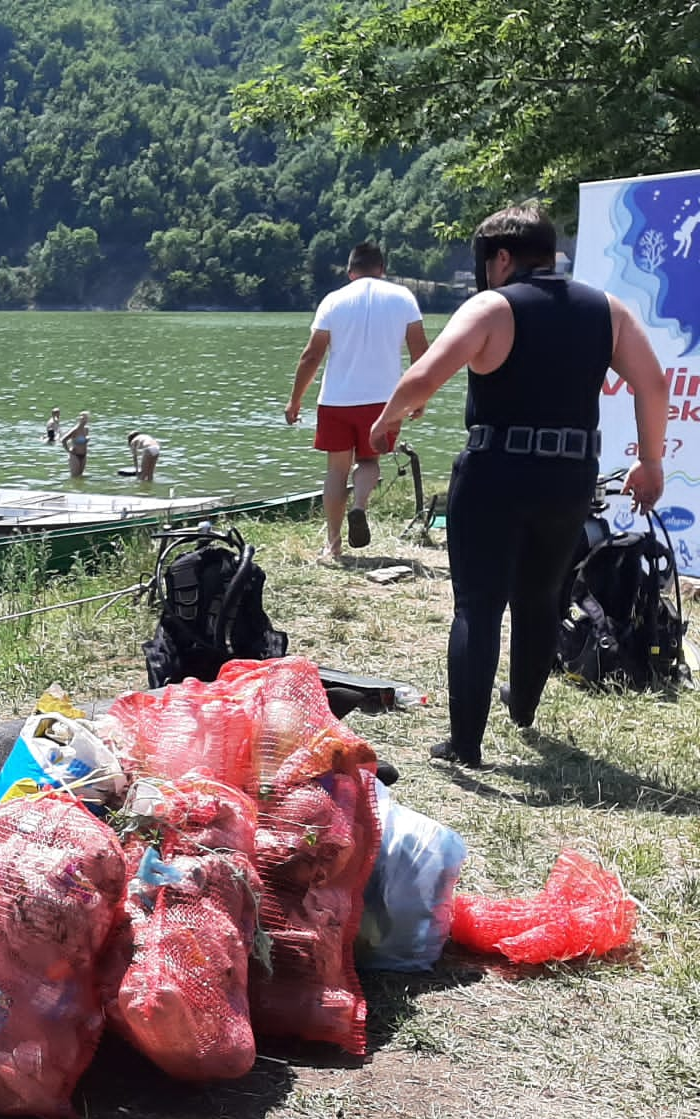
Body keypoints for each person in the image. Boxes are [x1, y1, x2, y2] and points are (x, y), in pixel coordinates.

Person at [368, 203, 668, 768]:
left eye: (487, 261)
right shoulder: (607, 310)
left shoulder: (493, 306)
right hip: (568, 477)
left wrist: (388, 419)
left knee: (478, 606)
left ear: (501, 257)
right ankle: (524, 709)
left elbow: (425, 375)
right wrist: (650, 463)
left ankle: (464, 746)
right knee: (540, 599)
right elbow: (651, 383)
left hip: (495, 472)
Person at [286, 243, 430, 563]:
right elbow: (421, 352)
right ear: (382, 269)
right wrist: (420, 396)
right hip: (383, 401)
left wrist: (295, 401)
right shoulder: (403, 298)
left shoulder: (333, 301)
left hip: (336, 400)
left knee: (336, 471)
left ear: (350, 272)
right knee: (369, 462)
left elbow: (311, 356)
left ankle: (333, 545)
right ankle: (359, 507)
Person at [61, 412, 90, 477]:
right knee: (75, 477)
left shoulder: (86, 429)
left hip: (84, 455)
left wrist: (87, 439)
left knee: (80, 477)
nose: (84, 420)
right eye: (83, 418)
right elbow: (63, 440)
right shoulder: (75, 429)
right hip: (75, 455)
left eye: (86, 418)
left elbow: (84, 440)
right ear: (79, 419)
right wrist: (68, 450)